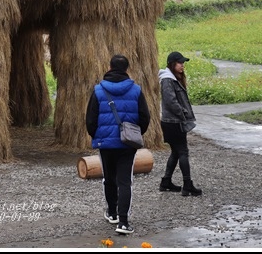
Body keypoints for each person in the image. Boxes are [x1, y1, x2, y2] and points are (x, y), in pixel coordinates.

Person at [85, 54, 151, 234]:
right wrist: (134, 134)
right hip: (127, 144)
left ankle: (112, 213)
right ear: (126, 69)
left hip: (105, 143)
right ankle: (123, 222)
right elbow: (145, 117)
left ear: (110, 67)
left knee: (108, 179)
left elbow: (90, 119)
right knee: (125, 181)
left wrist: (98, 135)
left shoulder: (99, 90)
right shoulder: (136, 90)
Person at [158, 51, 202, 197]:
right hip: (173, 122)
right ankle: (187, 185)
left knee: (176, 152)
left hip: (172, 121)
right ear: (172, 64)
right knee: (183, 152)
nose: (182, 65)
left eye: (183, 63)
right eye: (180, 63)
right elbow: (170, 101)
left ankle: (166, 181)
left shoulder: (172, 79)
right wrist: (183, 113)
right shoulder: (167, 80)